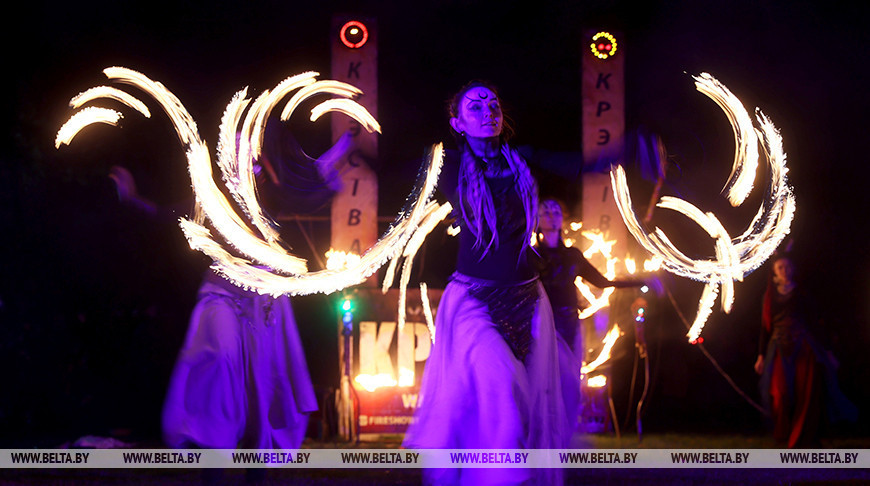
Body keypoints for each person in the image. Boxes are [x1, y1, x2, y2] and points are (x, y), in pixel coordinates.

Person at [403, 81, 566, 486]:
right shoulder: (448, 165)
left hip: (528, 299)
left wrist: (625, 152)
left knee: (526, 407)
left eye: (493, 103)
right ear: (457, 122)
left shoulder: (523, 160)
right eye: (474, 107)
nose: (488, 111)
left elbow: (579, 162)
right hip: (474, 299)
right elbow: (385, 165)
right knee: (501, 392)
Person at [536, 197, 644, 438]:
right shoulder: (532, 255)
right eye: (546, 212)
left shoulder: (572, 256)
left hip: (570, 326)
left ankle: (563, 432)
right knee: (543, 380)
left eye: (556, 211)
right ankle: (543, 432)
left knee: (569, 381)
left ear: (562, 219)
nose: (552, 215)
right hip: (543, 327)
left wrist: (640, 281)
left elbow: (602, 281)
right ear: (538, 220)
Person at [754, 252, 857, 448]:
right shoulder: (769, 297)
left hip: (804, 346)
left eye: (787, 267)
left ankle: (802, 438)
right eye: (780, 268)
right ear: (774, 273)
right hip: (779, 347)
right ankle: (783, 436)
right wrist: (760, 356)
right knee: (780, 393)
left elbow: (816, 324)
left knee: (807, 392)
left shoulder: (802, 293)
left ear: (793, 269)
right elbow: (764, 327)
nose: (785, 271)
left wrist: (827, 351)